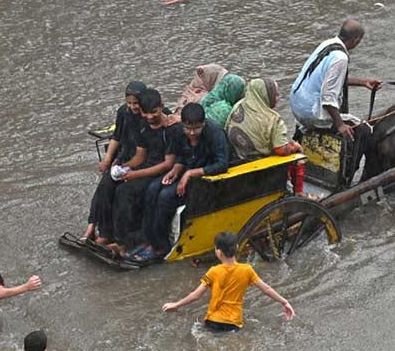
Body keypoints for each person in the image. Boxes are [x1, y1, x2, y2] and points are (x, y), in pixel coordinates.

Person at [132, 103, 230, 263]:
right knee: (152, 189)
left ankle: (162, 246)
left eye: (196, 129)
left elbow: (222, 164)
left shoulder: (215, 133)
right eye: (188, 128)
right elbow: (181, 156)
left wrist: (190, 174)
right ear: (182, 125)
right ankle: (150, 239)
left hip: (206, 180)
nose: (192, 133)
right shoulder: (179, 131)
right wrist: (175, 171)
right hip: (186, 172)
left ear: (204, 123)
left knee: (165, 196)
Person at [289, 19, 382, 181]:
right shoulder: (341, 58)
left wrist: (363, 82)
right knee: (364, 130)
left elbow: (329, 80)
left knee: (346, 120)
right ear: (356, 40)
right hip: (311, 113)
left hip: (298, 105)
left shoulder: (328, 44)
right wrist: (340, 125)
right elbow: (328, 97)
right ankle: (346, 178)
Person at [161, 232, 295, 332]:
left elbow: (196, 295)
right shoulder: (247, 270)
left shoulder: (213, 272)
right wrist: (284, 302)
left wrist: (176, 304)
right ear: (237, 247)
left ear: (218, 252)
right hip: (233, 324)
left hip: (212, 321)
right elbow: (266, 289)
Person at [110, 88, 182, 256]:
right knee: (116, 186)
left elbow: (167, 164)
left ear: (161, 107)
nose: (150, 117)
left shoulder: (170, 129)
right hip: (147, 166)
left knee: (126, 192)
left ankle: (127, 243)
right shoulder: (143, 125)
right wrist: (125, 168)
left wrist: (135, 175)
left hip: (162, 171)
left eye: (154, 113)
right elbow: (140, 155)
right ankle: (118, 237)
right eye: (146, 113)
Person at [83, 81, 146, 243]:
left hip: (143, 165)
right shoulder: (123, 113)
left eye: (136, 103)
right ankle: (101, 231)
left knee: (122, 193)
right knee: (105, 186)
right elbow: (116, 137)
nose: (133, 107)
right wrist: (108, 159)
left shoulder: (149, 115)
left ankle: (120, 239)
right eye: (129, 103)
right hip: (125, 160)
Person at [225, 78, 307, 194]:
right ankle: (297, 193)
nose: (278, 98)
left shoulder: (238, 106)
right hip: (262, 166)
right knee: (299, 158)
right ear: (265, 95)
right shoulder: (273, 119)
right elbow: (281, 149)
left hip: (238, 158)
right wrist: (295, 147)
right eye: (276, 94)